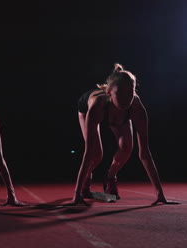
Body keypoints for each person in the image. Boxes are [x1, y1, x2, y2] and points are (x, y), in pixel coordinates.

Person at [71, 63, 178, 206]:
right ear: (109, 92)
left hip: (118, 115)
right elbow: (88, 151)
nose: (125, 99)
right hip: (87, 108)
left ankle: (110, 177)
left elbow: (144, 153)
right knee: (96, 154)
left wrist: (160, 195)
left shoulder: (135, 106)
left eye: (130, 93)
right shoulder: (98, 105)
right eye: (119, 93)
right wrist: (76, 195)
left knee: (127, 147)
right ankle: (85, 184)